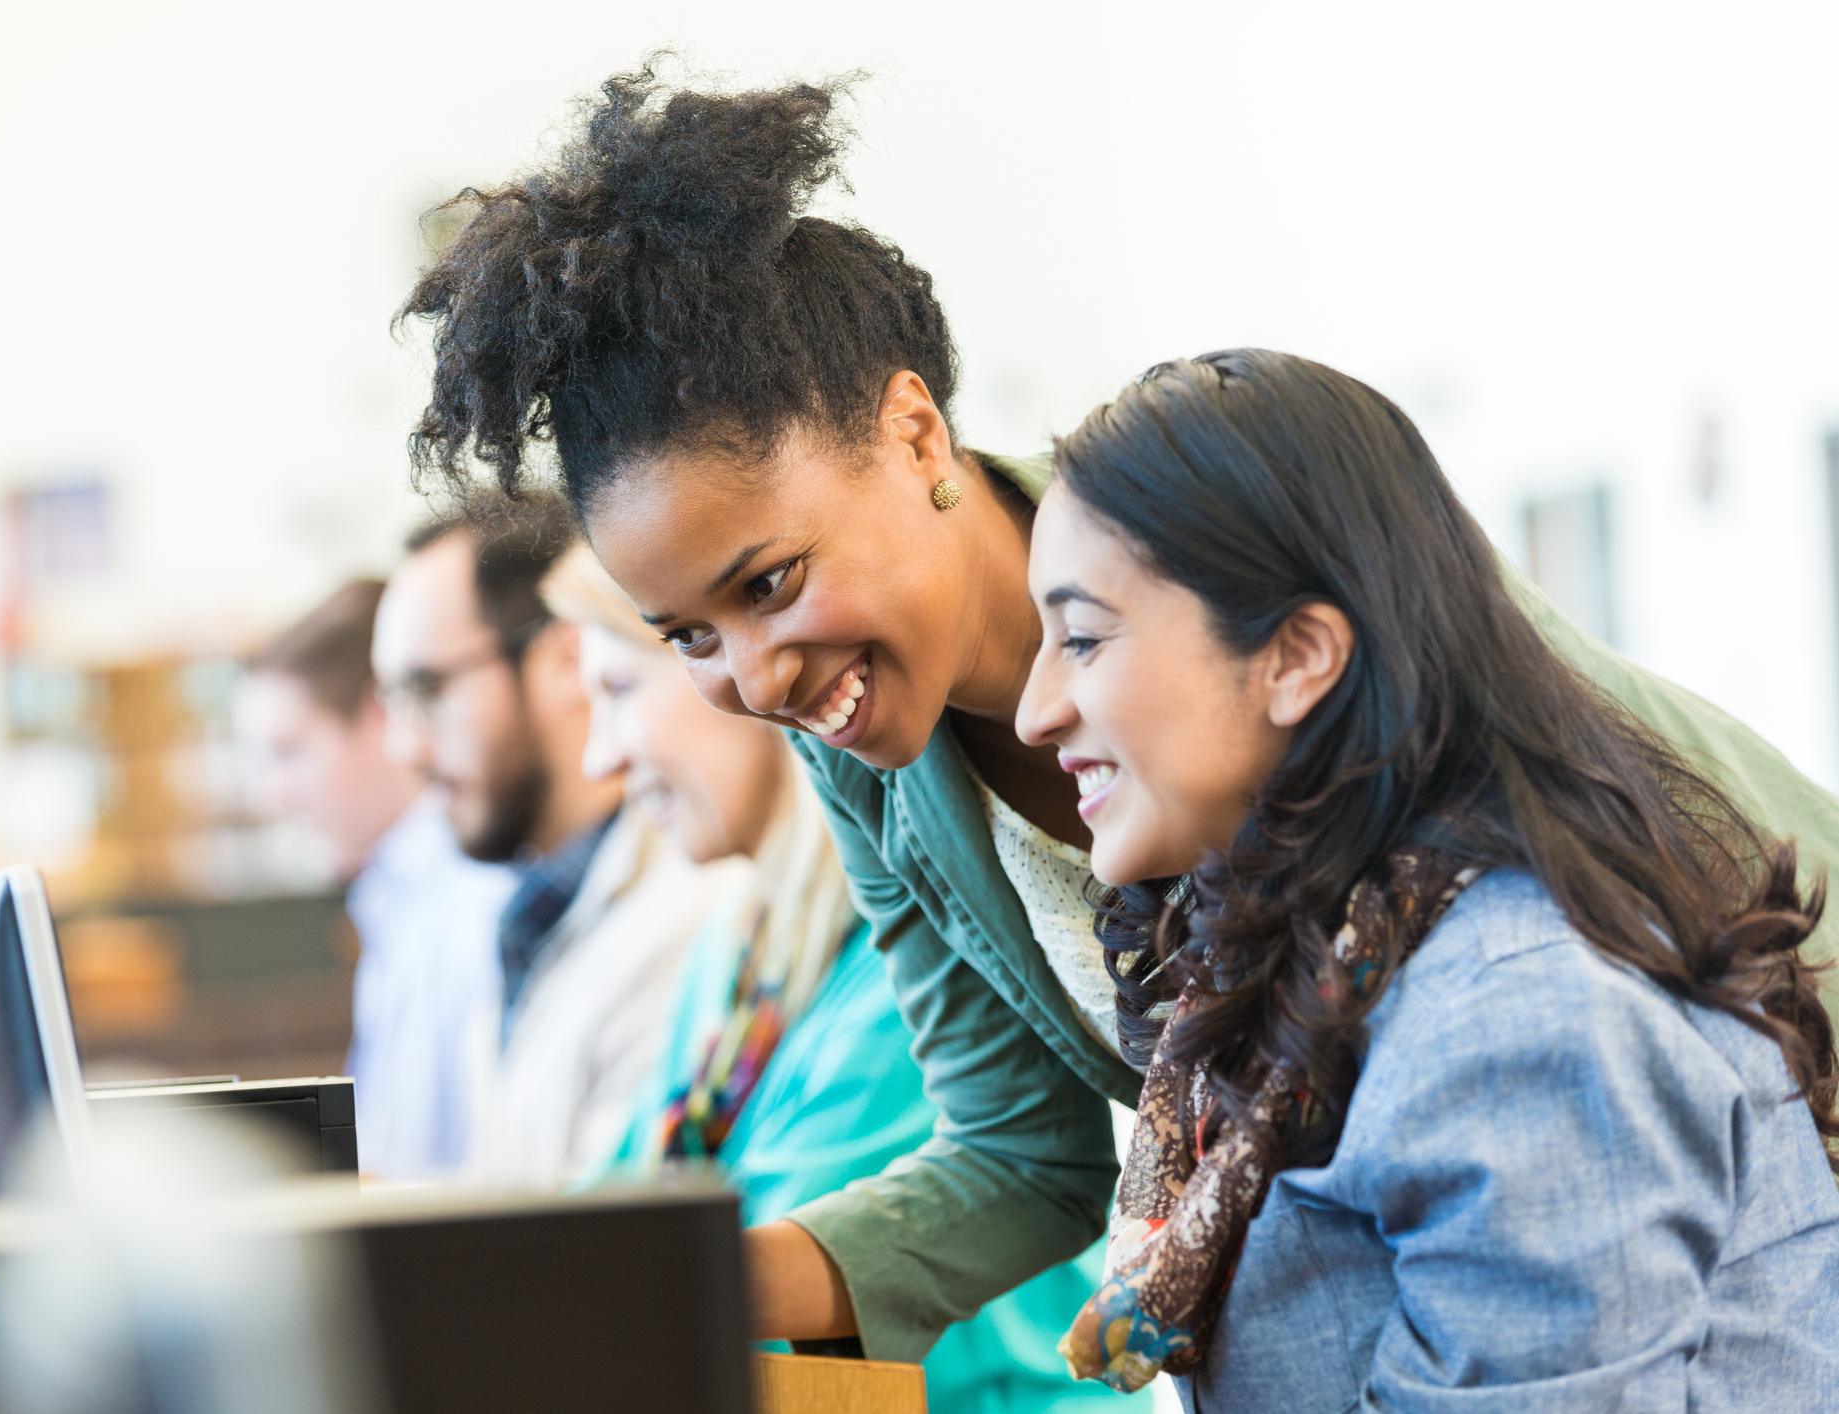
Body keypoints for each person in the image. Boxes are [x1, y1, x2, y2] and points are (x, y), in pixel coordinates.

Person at [395, 66, 1839, 1365]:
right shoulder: (874, 753)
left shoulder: (1242, 562)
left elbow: (1593, 1000)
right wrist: (634, 1278)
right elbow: (1021, 1155)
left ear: (913, 434)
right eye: (686, 636)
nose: (755, 679)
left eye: (770, 583)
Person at [1031, 349, 1839, 1408]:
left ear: (1297, 654)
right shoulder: (1337, 960)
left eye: (1084, 637)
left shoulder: (1516, 1013)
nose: (1035, 709)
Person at [545, 545, 1135, 1412]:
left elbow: (746, 1287)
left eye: (620, 691)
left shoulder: (906, 968)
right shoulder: (739, 954)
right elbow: (614, 1214)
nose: (597, 758)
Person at [371, 496, 738, 1186]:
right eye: (393, 701)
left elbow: (601, 1244)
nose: (405, 746)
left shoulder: (689, 915)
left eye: (426, 690)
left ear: (563, 660)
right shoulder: (531, 911)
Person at [235, 580, 512, 1178]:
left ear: (378, 715)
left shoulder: (470, 905)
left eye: (288, 751)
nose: (269, 797)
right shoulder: (398, 902)